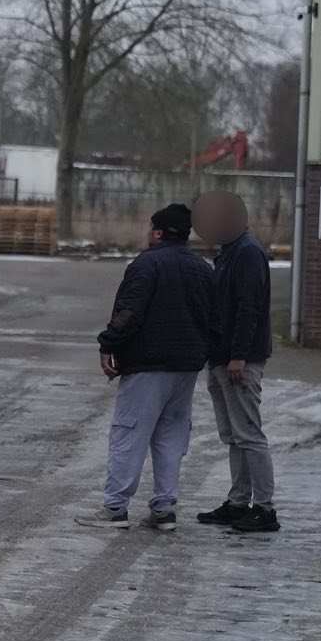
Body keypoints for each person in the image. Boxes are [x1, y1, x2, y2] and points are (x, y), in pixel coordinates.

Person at [77, 203, 217, 531]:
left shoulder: (146, 265)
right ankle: (164, 508)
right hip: (186, 367)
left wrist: (109, 344)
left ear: (157, 232)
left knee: (129, 433)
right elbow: (213, 317)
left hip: (147, 365)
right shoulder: (202, 269)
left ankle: (115, 507)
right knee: (171, 436)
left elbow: (129, 312)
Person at [192, 191, 278, 533]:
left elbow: (248, 306)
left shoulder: (246, 253)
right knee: (235, 435)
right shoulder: (230, 252)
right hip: (223, 357)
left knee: (248, 434)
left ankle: (265, 507)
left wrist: (239, 355)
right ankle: (239, 500)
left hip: (238, 359)